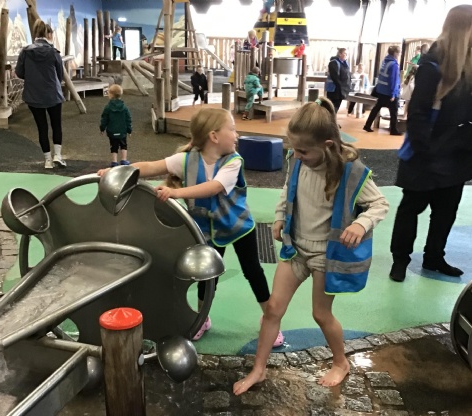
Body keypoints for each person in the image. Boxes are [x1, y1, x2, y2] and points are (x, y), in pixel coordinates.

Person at [233, 97, 389, 395]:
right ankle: (259, 369)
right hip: (296, 248)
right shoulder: (298, 161)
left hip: (325, 255)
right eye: (294, 149)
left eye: (303, 150)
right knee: (273, 308)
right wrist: (280, 216)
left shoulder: (350, 170)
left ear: (328, 145)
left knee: (321, 314)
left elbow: (379, 204)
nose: (297, 155)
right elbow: (287, 189)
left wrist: (361, 224)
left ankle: (341, 362)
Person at [98, 108, 284, 345]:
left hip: (238, 228)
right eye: (232, 129)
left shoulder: (234, 161)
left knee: (253, 272)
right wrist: (117, 171)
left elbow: (215, 187)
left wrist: (176, 193)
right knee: (207, 275)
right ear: (214, 136)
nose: (236, 135)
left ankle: (269, 319)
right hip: (207, 231)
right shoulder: (186, 160)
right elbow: (152, 166)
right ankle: (202, 317)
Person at [389, 5, 472, 283]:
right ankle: (400, 260)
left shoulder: (469, 62)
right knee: (411, 208)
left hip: (457, 154)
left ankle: (434, 257)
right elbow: (418, 113)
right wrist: (424, 151)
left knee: (446, 211)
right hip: (426, 153)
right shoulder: (432, 63)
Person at [15, 19, 66, 169]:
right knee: (56, 125)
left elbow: (19, 72)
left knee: (41, 127)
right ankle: (58, 155)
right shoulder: (54, 52)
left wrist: (32, 77)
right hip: (53, 94)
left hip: (33, 95)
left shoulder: (25, 52)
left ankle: (47, 160)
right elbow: (60, 75)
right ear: (48, 34)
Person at [363, 45, 402, 136]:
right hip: (389, 92)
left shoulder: (385, 62)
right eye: (399, 53)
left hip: (381, 91)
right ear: (395, 53)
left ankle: (367, 125)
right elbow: (393, 80)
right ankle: (393, 130)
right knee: (394, 111)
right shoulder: (394, 65)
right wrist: (393, 94)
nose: (399, 54)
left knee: (376, 108)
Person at [100, 84, 132, 167]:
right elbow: (128, 119)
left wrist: (102, 128)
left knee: (113, 146)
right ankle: (124, 160)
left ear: (110, 95)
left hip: (112, 131)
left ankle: (114, 161)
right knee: (123, 145)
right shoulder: (124, 108)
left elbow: (104, 119)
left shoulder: (107, 108)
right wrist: (129, 130)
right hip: (122, 131)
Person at [325, 48, 351, 114]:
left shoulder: (345, 64)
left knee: (335, 108)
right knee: (331, 108)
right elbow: (335, 77)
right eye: (345, 53)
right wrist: (341, 87)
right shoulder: (333, 63)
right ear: (339, 54)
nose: (346, 55)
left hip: (342, 90)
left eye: (347, 54)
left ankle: (332, 119)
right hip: (334, 90)